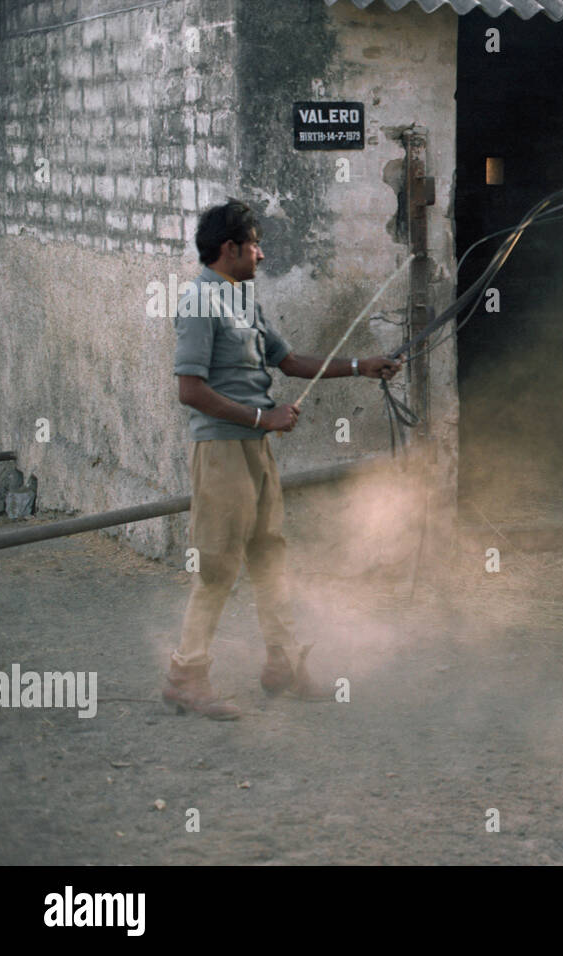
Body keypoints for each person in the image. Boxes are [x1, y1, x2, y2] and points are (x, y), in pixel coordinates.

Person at [165, 199, 402, 720]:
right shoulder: (199, 302)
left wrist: (363, 365)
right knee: (217, 563)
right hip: (223, 448)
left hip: (254, 448)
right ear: (229, 249)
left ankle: (283, 665)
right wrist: (260, 419)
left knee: (269, 553)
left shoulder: (243, 300)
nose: (262, 253)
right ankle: (186, 674)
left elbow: (290, 361)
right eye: (254, 244)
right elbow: (189, 390)